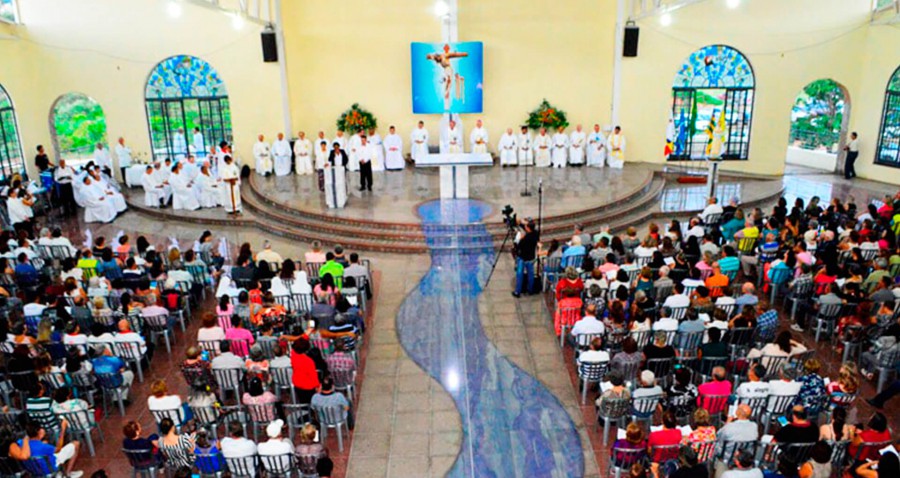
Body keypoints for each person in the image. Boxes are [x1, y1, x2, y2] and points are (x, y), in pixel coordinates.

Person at [512, 219, 539, 298]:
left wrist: (520, 239)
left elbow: (519, 246)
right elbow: (526, 228)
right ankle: (530, 290)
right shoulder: (535, 233)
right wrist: (520, 223)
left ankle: (518, 291)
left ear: (528, 228)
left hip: (523, 258)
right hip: (531, 258)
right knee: (531, 274)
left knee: (519, 274)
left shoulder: (525, 238)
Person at [324, 142, 349, 209]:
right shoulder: (332, 152)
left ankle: (344, 194)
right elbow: (329, 160)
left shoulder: (342, 151)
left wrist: (343, 165)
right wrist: (327, 164)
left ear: (339, 147)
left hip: (342, 168)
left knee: (343, 181)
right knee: (337, 183)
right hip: (335, 169)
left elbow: (346, 159)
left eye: (337, 147)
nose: (336, 148)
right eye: (335, 147)